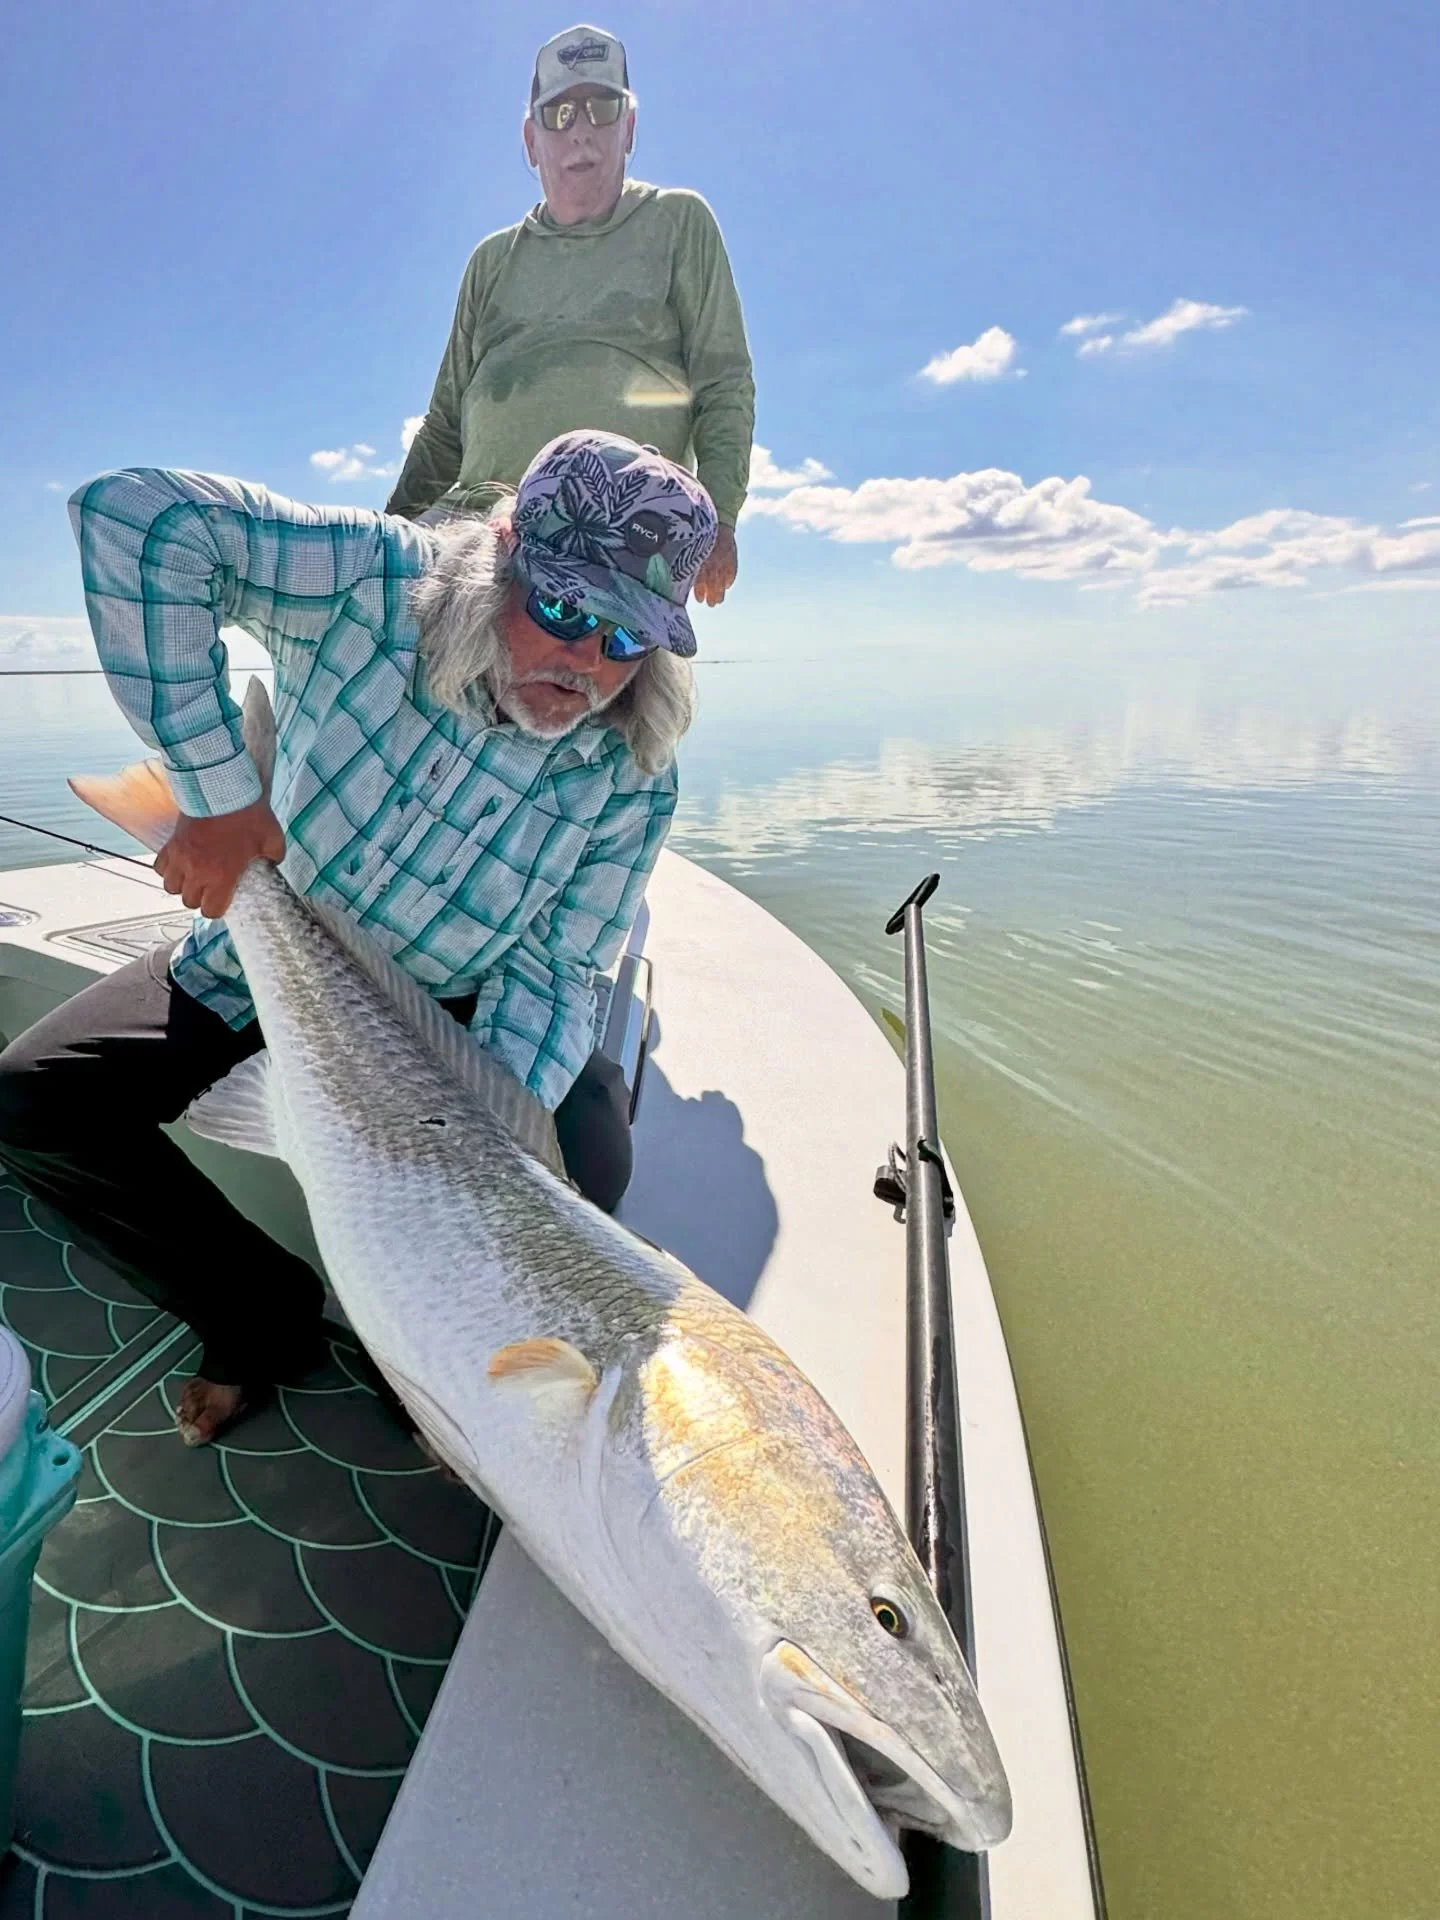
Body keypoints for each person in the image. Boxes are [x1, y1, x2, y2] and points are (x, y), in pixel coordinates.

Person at [0, 429, 716, 1448]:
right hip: (263, 961)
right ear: (501, 557)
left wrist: (456, 1143)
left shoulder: (633, 772)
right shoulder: (374, 582)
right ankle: (260, 1319)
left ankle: (418, 1375)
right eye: (561, 608)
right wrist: (214, 795)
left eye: (628, 637)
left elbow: (557, 968)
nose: (587, 663)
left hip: (451, 1014)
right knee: (30, 1102)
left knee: (588, 1151)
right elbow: (134, 518)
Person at [386, 22, 753, 608]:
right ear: (531, 140)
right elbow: (444, 426)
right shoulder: (490, 260)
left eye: (601, 108)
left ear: (629, 128)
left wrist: (720, 519)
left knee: (538, 669)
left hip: (614, 535)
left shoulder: (680, 223)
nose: (580, 131)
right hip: (477, 528)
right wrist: (389, 537)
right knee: (341, 597)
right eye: (559, 114)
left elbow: (724, 383)